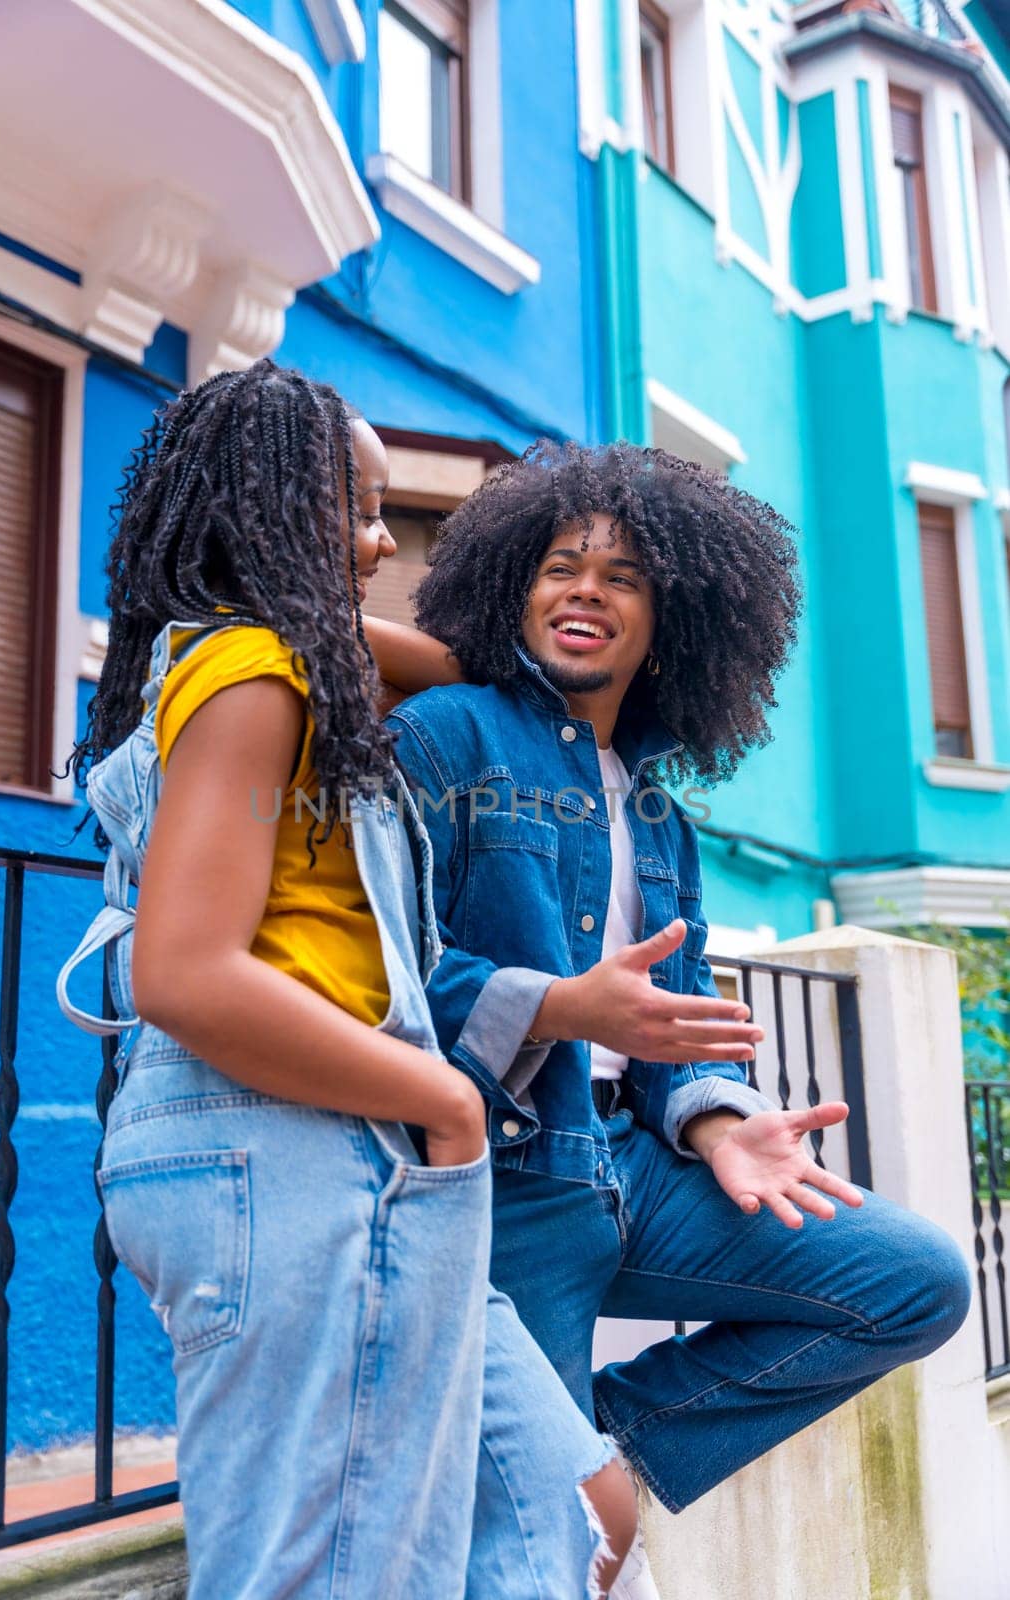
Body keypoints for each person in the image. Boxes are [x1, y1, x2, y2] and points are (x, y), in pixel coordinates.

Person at [57, 368, 637, 1600]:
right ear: (267, 502)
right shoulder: (253, 672)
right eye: (359, 508)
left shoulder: (273, 656)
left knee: (574, 1513)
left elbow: (463, 664)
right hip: (281, 1145)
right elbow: (183, 971)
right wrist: (448, 1099)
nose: (381, 541)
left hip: (344, 1153)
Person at [387, 440, 973, 1600]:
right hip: (510, 1184)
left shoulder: (655, 810)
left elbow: (672, 1023)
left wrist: (715, 1124)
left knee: (915, 1281)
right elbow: (380, 975)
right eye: (559, 566)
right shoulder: (448, 735)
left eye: (622, 577)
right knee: (557, 1562)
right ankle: (557, 1471)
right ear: (515, 589)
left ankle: (599, 1442)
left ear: (672, 619)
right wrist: (553, 1006)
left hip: (639, 1170)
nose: (585, 591)